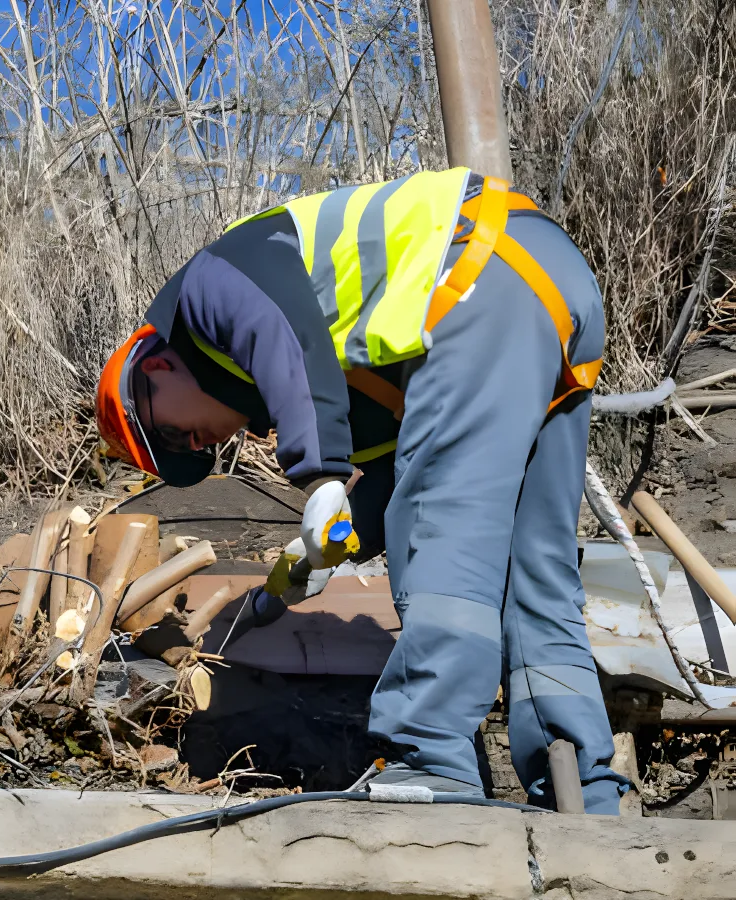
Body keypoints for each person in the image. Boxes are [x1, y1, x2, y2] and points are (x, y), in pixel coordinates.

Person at [95, 168, 629, 813]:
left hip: (473, 270)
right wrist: (326, 553)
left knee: (441, 528)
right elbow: (398, 482)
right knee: (533, 566)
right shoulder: (346, 367)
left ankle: (430, 757)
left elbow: (283, 336)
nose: (200, 446)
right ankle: (582, 788)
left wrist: (318, 476)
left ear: (155, 369)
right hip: (547, 288)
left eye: (176, 436)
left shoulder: (211, 284)